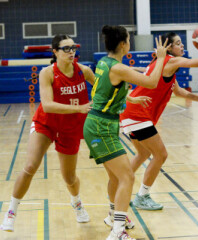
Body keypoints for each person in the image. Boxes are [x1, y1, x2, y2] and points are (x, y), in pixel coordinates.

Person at [119, 32, 198, 210]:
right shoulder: (170, 61)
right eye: (179, 44)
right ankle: (142, 195)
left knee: (143, 154)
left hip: (130, 114)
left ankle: (120, 184)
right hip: (138, 115)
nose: (183, 47)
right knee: (161, 155)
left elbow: (179, 92)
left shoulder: (161, 64)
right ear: (169, 48)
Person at [83, 25, 169, 240]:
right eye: (129, 39)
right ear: (123, 44)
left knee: (115, 176)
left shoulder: (105, 63)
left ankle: (113, 217)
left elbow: (105, 89)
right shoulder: (118, 68)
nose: (129, 42)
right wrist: (160, 59)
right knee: (127, 177)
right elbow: (151, 82)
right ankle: (117, 233)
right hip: (101, 126)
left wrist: (130, 98)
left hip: (102, 125)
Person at [1, 35, 94, 232]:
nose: (71, 52)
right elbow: (48, 105)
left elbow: (103, 87)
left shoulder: (83, 71)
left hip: (69, 128)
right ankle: (11, 211)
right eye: (66, 48)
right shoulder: (47, 73)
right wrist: (79, 108)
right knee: (30, 166)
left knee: (69, 178)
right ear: (55, 52)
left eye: (73, 47)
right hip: (47, 124)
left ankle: (76, 202)